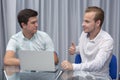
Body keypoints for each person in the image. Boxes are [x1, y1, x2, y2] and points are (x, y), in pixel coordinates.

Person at [4, 9, 59, 80]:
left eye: (36, 22)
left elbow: (54, 59)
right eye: (33, 23)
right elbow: (7, 60)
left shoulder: (44, 36)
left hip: (45, 76)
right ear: (23, 25)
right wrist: (34, 61)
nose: (37, 25)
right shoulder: (15, 39)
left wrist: (27, 62)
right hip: (25, 77)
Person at [61, 6, 113, 79]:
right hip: (83, 76)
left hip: (100, 78)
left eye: (87, 21)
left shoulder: (107, 40)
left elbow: (97, 64)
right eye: (83, 21)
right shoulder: (83, 34)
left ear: (98, 23)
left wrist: (73, 66)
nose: (83, 24)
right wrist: (75, 50)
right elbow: (86, 48)